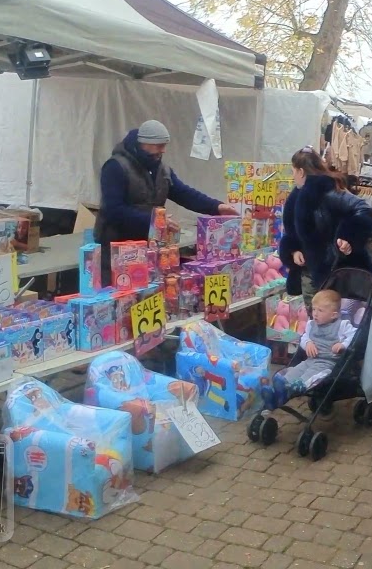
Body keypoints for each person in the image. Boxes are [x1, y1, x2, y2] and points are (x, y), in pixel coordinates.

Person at [96, 120, 236, 285]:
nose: (163, 150)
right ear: (144, 143)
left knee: (148, 293)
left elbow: (184, 193)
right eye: (159, 145)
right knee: (122, 298)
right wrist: (154, 221)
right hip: (116, 248)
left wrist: (216, 207)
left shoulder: (162, 169)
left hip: (149, 247)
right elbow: (113, 210)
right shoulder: (115, 167)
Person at [282, 148, 372, 299]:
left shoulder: (327, 191)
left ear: (300, 171)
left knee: (334, 316)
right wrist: (293, 250)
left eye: (293, 171)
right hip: (309, 272)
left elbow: (362, 209)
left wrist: (348, 237)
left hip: (334, 272)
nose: (292, 176)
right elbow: (294, 232)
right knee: (316, 316)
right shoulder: (297, 196)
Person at [258, 290, 356, 409]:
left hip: (327, 364)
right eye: (314, 309)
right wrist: (308, 343)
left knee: (311, 376)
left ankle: (298, 387)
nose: (315, 314)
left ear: (334, 315)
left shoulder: (342, 325)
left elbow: (354, 335)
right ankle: (277, 395)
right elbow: (304, 337)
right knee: (295, 372)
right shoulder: (311, 324)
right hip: (310, 360)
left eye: (320, 310)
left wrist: (343, 344)